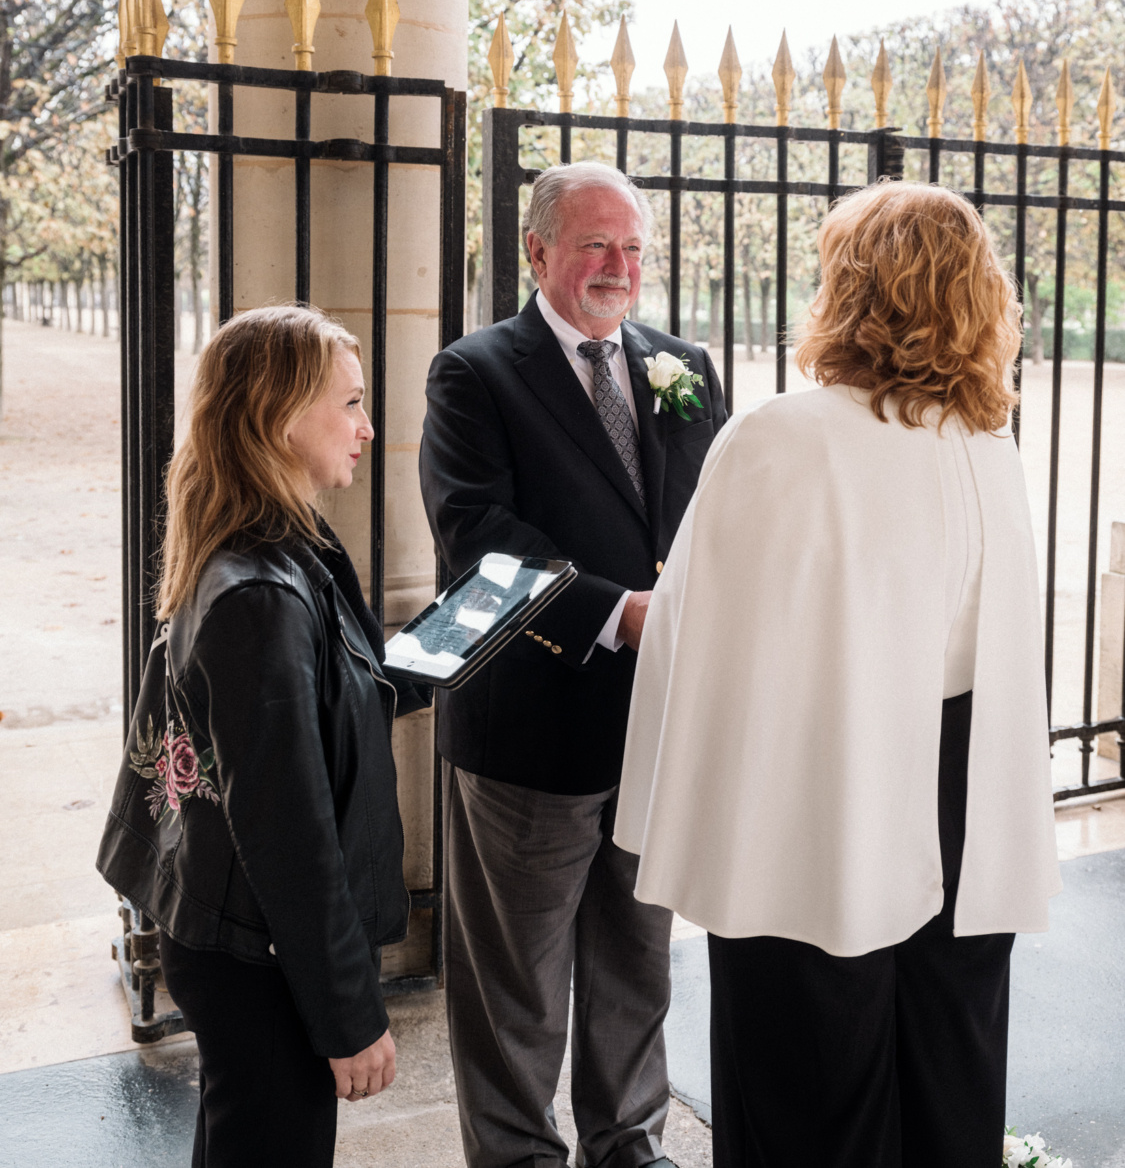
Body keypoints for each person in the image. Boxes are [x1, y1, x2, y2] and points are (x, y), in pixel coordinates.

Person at [615, 180, 1061, 1168]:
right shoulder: (986, 445)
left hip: (814, 790)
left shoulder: (783, 436)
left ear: (852, 289)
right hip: (962, 792)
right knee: (950, 1063)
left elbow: (695, 633)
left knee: (804, 1078)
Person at [419, 163, 728, 1168]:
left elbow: (718, 525)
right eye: (597, 245)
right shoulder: (475, 374)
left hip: (658, 727)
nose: (620, 268)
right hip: (530, 729)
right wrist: (617, 615)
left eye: (634, 248)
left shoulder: (682, 366)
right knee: (516, 982)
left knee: (639, 958)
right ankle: (516, 1156)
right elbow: (479, 540)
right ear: (538, 250)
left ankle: (628, 1143)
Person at [98, 305, 429, 1168]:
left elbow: (305, 717)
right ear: (282, 420)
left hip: (238, 938)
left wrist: (436, 660)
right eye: (350, 403)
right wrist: (348, 1015)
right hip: (258, 954)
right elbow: (288, 833)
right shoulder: (260, 592)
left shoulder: (279, 545)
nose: (366, 427)